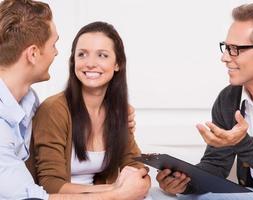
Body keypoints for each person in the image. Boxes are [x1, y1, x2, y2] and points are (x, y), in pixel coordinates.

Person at [0, 0, 150, 199]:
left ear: (117, 64)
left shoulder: (28, 101)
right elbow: (35, 195)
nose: (56, 52)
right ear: (33, 53)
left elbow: (134, 164)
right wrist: (118, 192)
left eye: (103, 55)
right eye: (53, 45)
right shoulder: (40, 112)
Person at [156, 2, 253, 200]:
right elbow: (215, 166)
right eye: (225, 47)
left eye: (235, 49)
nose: (224, 57)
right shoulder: (228, 98)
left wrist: (242, 142)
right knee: (187, 197)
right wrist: (184, 183)